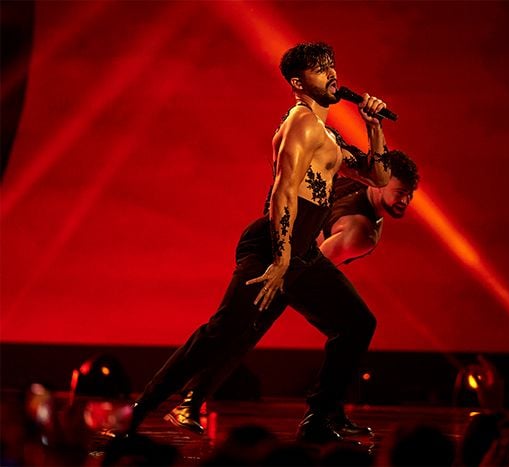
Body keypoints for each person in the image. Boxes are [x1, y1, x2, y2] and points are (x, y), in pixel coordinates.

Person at [127, 42, 393, 443]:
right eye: (320, 69)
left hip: (299, 254)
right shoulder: (301, 123)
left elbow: (379, 178)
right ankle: (140, 413)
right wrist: (282, 256)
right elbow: (283, 193)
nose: (331, 73)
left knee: (356, 324)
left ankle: (321, 417)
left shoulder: (330, 138)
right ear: (297, 82)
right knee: (221, 333)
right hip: (273, 245)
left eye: (332, 65)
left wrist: (373, 125)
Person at [320, 151, 418, 266]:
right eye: (400, 192)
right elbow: (309, 271)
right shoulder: (361, 234)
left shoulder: (359, 175)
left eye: (410, 193)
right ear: (380, 184)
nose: (405, 201)